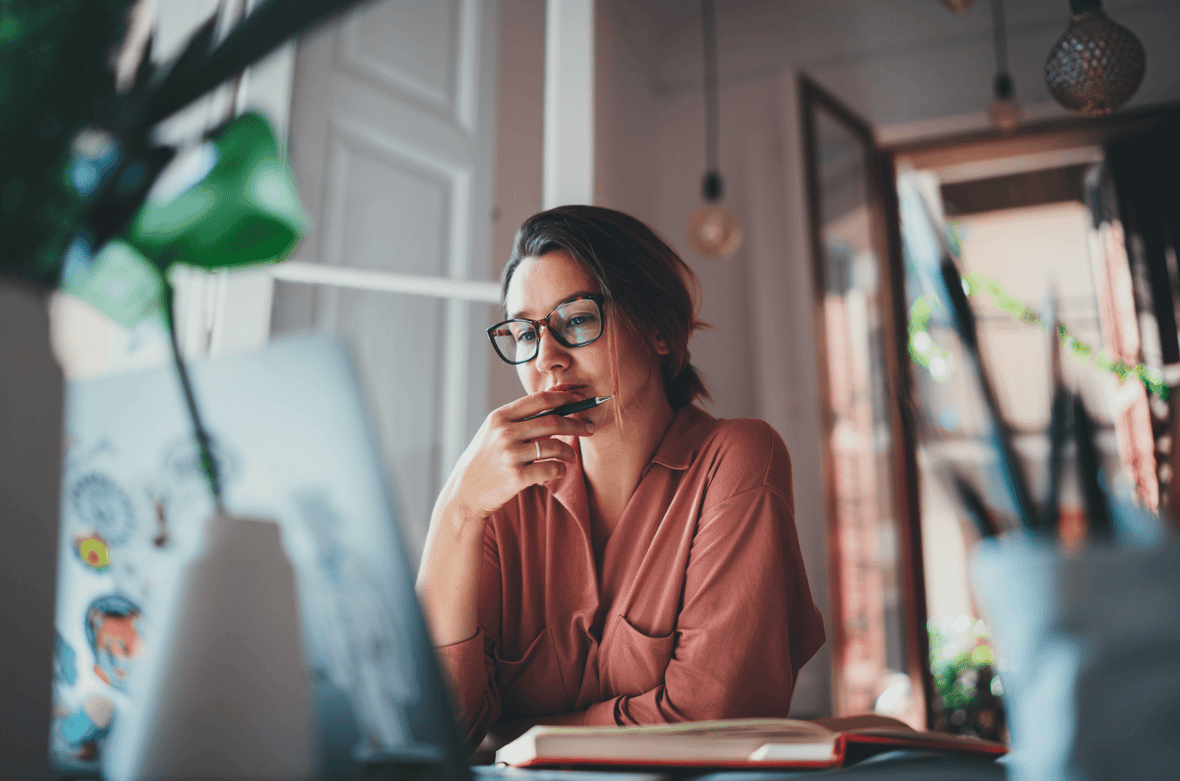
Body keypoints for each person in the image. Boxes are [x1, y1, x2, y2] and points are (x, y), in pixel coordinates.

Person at [417, 205, 825, 749]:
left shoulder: (738, 459)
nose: (548, 361)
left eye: (578, 319)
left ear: (658, 328)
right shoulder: (500, 498)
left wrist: (516, 734)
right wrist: (457, 511)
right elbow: (436, 733)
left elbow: (710, 719)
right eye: (523, 334)